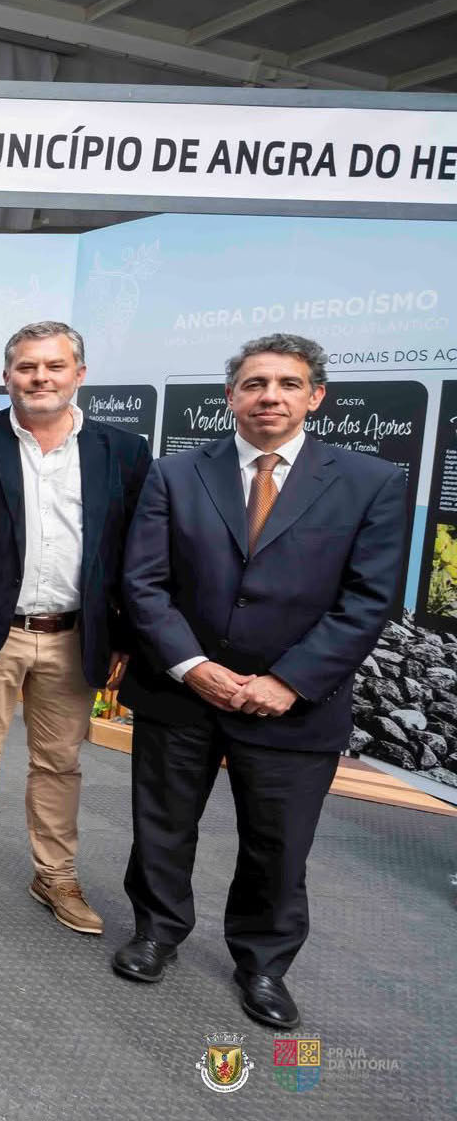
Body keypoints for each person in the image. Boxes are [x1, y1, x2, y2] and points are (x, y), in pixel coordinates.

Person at [114, 334, 407, 1030]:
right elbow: (144, 583)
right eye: (254, 383)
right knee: (162, 825)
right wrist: (194, 666)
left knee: (278, 843)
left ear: (315, 396)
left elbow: (367, 600)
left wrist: (287, 681)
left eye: (285, 383)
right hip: (182, 692)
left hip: (294, 707)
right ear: (231, 397)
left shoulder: (369, 482)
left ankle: (263, 964)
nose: (269, 395)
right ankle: (156, 932)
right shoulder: (177, 475)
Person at [0, 322, 152, 934]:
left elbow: (138, 553)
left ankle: (55, 876)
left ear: (80, 374)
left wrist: (128, 636)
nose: (40, 378)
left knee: (60, 762)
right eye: (27, 368)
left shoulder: (123, 452)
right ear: (7, 377)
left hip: (76, 636)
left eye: (54, 367)